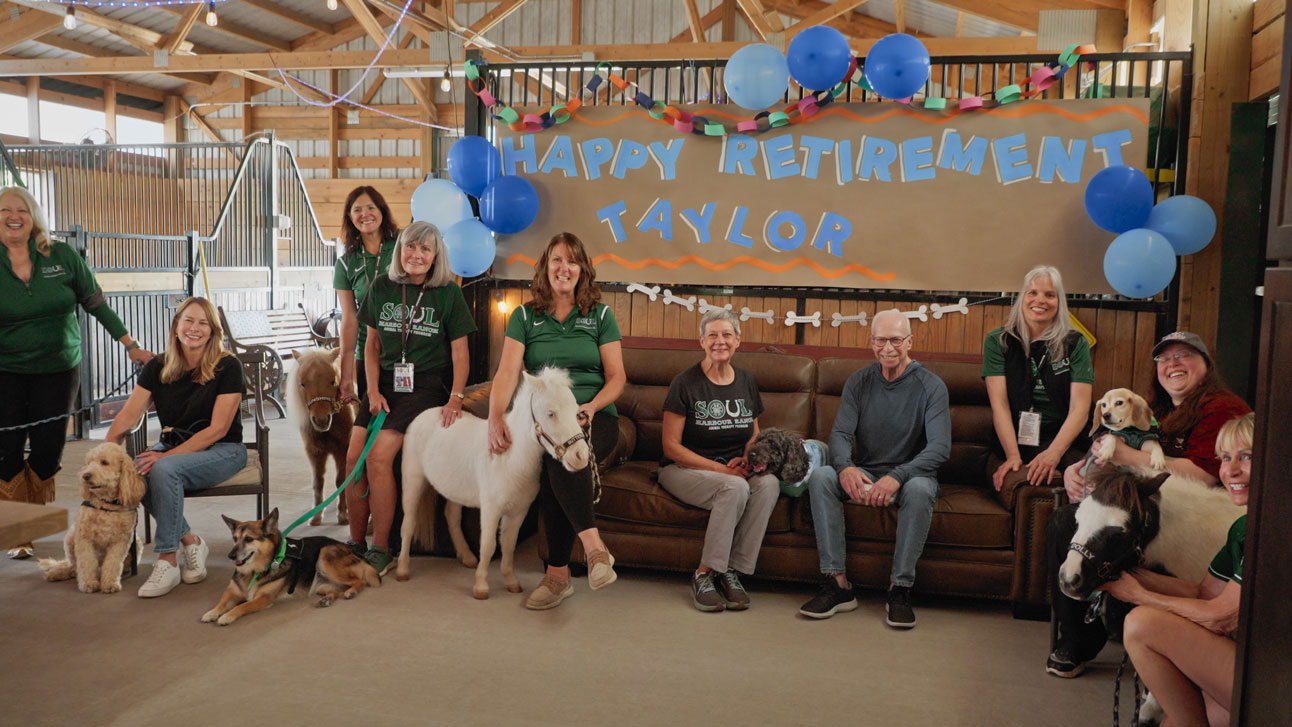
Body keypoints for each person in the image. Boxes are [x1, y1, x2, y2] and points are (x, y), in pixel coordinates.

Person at [1046, 331, 1251, 677]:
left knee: (1081, 527)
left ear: (1206, 365)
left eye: (1183, 355)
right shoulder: (1151, 410)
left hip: (1191, 516)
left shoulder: (1221, 407)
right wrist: (1075, 472)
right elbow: (1108, 451)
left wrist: (1126, 455)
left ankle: (1098, 631)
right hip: (1145, 505)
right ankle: (1083, 635)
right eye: (1164, 359)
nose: (1173, 364)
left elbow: (1201, 474)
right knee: (1069, 521)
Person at [1, 186, 153, 559]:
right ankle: (20, 535)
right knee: (5, 451)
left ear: (33, 215)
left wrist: (131, 345)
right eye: (4, 210)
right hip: (5, 369)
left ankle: (31, 521)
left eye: (21, 209)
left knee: (48, 450)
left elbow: (96, 303)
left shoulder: (62, 255)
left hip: (58, 369)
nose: (13, 216)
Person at [488, 232, 625, 611]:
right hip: (546, 423)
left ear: (582, 270)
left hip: (594, 416)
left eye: (572, 261)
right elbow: (506, 373)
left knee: (565, 459)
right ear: (545, 268)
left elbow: (617, 378)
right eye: (556, 261)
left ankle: (558, 575)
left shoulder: (599, 315)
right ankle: (595, 549)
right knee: (555, 454)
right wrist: (494, 417)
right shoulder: (524, 316)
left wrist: (593, 406)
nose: (564, 268)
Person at [798, 309, 951, 627]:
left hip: (911, 477)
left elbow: (939, 448)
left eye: (896, 340)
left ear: (910, 341)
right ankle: (837, 584)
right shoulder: (859, 381)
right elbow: (840, 434)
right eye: (881, 340)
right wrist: (845, 468)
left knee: (922, 489)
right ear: (872, 342)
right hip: (865, 471)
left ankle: (900, 589)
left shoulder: (931, 386)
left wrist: (897, 477)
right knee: (823, 476)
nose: (888, 348)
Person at [1100, 413, 1253, 727]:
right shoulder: (1243, 526)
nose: (1231, 470)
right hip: (1249, 660)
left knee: (1142, 623)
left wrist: (1141, 596)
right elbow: (1204, 592)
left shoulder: (1268, 530)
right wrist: (1128, 576)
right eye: (1225, 458)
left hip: (1271, 677)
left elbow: (1220, 617)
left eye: (1247, 457)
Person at [346, 221, 474, 576]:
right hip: (383, 387)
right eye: (410, 248)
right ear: (400, 251)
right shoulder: (382, 287)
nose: (416, 255)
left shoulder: (448, 293)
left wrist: (456, 398)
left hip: (425, 389)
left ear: (435, 257)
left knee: (378, 455)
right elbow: (370, 346)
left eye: (425, 250)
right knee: (353, 455)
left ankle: (382, 547)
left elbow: (461, 355)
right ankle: (356, 541)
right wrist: (371, 391)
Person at [104, 297, 246, 597]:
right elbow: (129, 415)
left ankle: (166, 561)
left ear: (213, 331)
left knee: (163, 468)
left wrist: (164, 456)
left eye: (203, 323)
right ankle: (191, 542)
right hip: (173, 447)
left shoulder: (228, 365)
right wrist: (104, 455)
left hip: (223, 449)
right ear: (176, 325)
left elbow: (218, 428)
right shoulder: (158, 366)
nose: (194, 328)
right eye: (188, 321)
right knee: (136, 474)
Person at [658, 309, 779, 612]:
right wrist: (723, 470)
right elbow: (671, 447)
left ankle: (730, 572)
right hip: (683, 469)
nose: (719, 341)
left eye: (726, 335)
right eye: (712, 335)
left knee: (768, 484)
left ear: (738, 340)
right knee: (734, 488)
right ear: (701, 341)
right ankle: (704, 574)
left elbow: (754, 433)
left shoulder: (747, 382)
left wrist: (749, 460)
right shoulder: (685, 383)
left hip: (732, 467)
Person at [982, 265, 1093, 493]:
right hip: (1017, 437)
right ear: (1023, 297)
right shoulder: (998, 341)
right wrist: (1013, 456)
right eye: (1033, 292)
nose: (1040, 300)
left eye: (1050, 295)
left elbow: (1080, 409)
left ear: (1059, 302)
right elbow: (1000, 406)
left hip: (1063, 437)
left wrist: (1054, 454)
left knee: (1088, 475)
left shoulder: (1075, 342)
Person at [333, 186, 399, 404]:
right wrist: (345, 376)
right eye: (357, 210)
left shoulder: (402, 249)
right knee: (372, 420)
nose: (365, 214)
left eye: (371, 207)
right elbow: (350, 319)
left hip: (405, 351)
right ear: (350, 217)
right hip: (367, 354)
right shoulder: (345, 263)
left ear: (382, 211)